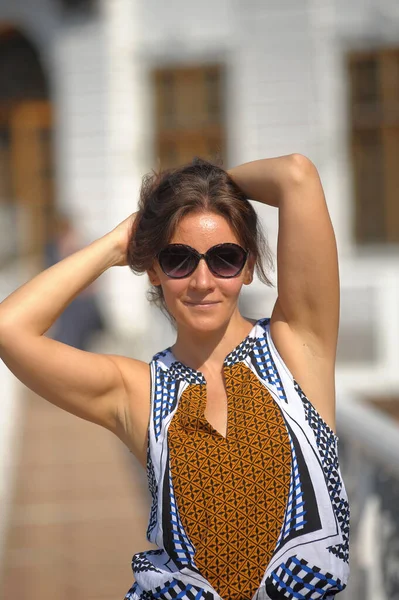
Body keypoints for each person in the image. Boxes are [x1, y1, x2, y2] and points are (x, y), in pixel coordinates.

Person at [0, 155, 350, 600]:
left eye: (225, 257)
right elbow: (9, 329)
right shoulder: (139, 390)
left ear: (248, 266)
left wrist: (193, 186)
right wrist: (115, 244)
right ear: (153, 269)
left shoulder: (298, 349)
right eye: (179, 259)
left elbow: (296, 175)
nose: (202, 281)